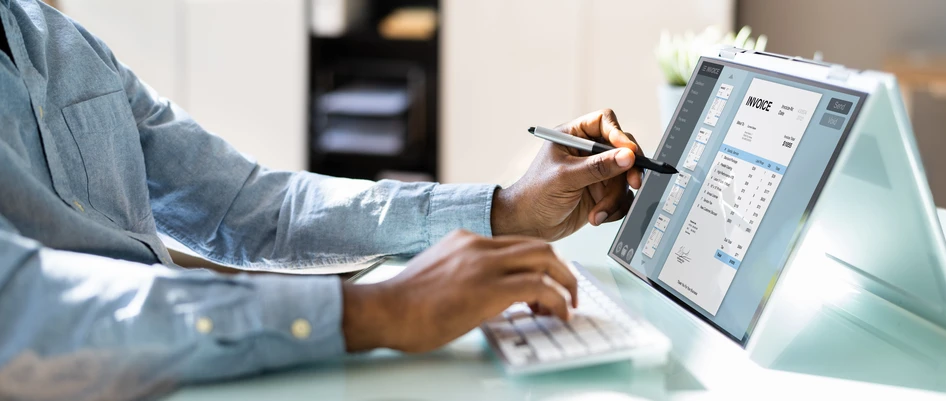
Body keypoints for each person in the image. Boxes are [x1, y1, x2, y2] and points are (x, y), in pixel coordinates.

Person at [0, 0, 645, 383]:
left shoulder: (58, 41)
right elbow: (23, 308)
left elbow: (252, 207)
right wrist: (378, 310)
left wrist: (504, 210)